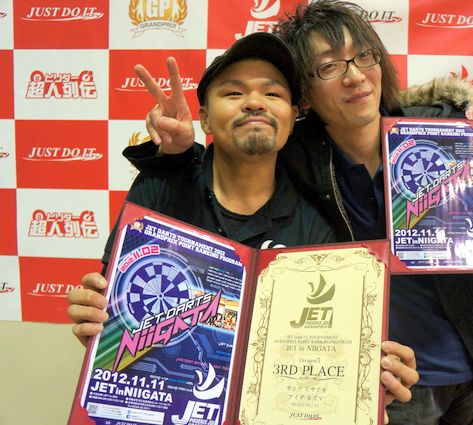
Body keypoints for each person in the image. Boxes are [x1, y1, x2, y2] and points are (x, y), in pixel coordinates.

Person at [107, 2, 473, 424]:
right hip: (386, 381)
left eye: (362, 56)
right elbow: (234, 159)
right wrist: (176, 155)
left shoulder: (447, 133)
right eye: (328, 66)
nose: (354, 76)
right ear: (305, 95)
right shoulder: (299, 155)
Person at [67, 30, 419, 422]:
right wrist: (98, 322)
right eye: (234, 92)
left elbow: (322, 357)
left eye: (272, 93)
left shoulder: (318, 231)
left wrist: (363, 389)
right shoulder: (160, 188)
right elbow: (111, 316)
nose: (254, 102)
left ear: (293, 117)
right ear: (204, 117)